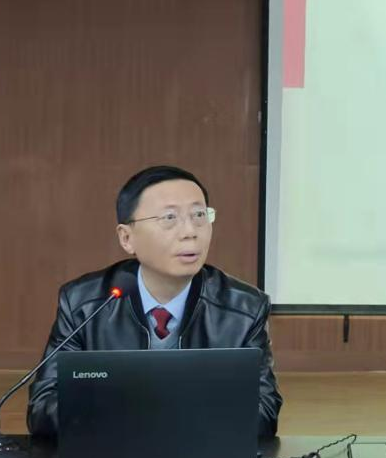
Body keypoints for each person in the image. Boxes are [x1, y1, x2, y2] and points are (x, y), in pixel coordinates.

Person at [27, 165, 282, 439]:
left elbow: (263, 414)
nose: (190, 231)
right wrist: (158, 418)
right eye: (169, 218)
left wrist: (138, 416)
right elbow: (43, 408)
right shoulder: (84, 304)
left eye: (199, 215)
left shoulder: (244, 309)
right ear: (127, 238)